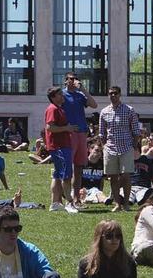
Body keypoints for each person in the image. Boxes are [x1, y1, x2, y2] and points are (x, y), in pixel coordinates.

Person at [0, 206, 59, 278]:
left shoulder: (29, 251)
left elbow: (46, 271)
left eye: (17, 229)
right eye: (8, 229)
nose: (13, 232)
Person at [98, 85, 139, 212]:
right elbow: (101, 133)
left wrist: (133, 145)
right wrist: (105, 146)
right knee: (113, 177)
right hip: (110, 149)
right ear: (108, 95)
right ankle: (117, 204)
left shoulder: (129, 110)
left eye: (115, 93)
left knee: (126, 176)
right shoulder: (104, 112)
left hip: (126, 147)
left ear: (120, 94)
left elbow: (136, 131)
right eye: (111, 93)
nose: (113, 95)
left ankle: (126, 203)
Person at [61, 72, 98, 208]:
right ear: (65, 81)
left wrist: (82, 89)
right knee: (67, 168)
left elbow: (94, 104)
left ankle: (76, 199)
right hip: (69, 134)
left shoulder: (80, 95)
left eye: (76, 79)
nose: (74, 81)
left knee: (78, 167)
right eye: (71, 79)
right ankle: (65, 198)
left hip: (82, 133)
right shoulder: (62, 95)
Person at [44, 86, 78, 213]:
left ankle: (55, 203)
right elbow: (50, 127)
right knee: (66, 175)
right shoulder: (52, 109)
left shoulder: (59, 108)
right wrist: (66, 128)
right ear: (53, 97)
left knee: (57, 175)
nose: (62, 96)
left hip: (61, 146)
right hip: (59, 147)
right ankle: (69, 203)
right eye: (59, 94)